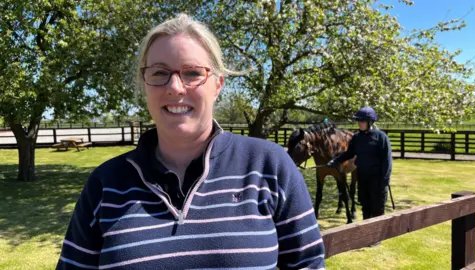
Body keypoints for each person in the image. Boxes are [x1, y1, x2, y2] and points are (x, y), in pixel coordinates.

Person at [56, 14, 325, 269]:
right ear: (144, 83)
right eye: (159, 73)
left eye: (192, 73)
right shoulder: (105, 184)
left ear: (218, 84)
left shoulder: (269, 166)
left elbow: (307, 264)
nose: (174, 87)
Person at [328, 107, 392, 225]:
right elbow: (349, 153)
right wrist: (336, 161)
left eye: (362, 121)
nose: (359, 123)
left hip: (377, 179)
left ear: (369, 122)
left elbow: (387, 160)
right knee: (365, 205)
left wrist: (385, 180)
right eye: (358, 120)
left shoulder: (381, 137)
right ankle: (366, 233)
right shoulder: (357, 137)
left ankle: (376, 236)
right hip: (362, 177)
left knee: (377, 207)